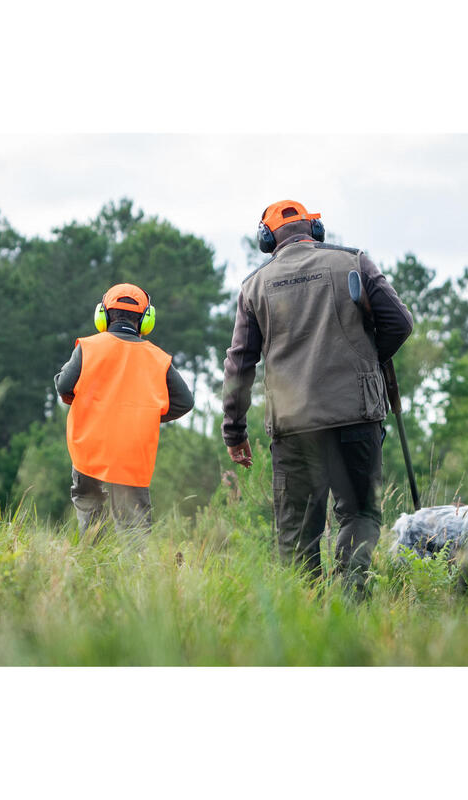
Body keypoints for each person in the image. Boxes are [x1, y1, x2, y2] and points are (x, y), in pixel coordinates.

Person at [221, 200, 413, 593]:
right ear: (314, 230)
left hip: (293, 427)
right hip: (356, 416)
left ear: (267, 239)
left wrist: (234, 431)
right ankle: (352, 599)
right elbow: (400, 323)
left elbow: (240, 364)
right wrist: (367, 360)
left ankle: (304, 619)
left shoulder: (254, 287)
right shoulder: (355, 263)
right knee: (359, 515)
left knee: (295, 536)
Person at [55, 282, 194, 539]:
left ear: (103, 316)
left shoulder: (87, 347)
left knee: (90, 511)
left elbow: (64, 386)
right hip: (131, 452)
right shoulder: (158, 358)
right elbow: (185, 402)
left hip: (90, 448)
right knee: (134, 528)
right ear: (145, 321)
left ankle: (93, 568)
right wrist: (145, 414)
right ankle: (135, 576)